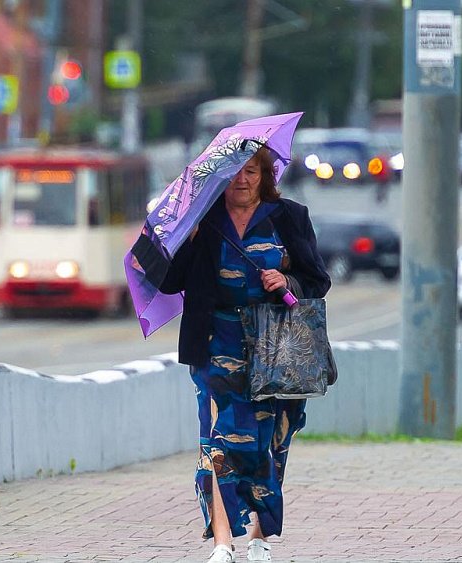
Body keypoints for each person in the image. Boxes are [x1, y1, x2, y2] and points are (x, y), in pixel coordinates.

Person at [159, 146, 331, 563]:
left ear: (265, 175)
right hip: (217, 342)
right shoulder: (204, 221)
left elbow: (317, 281)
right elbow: (168, 283)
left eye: (251, 171)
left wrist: (285, 278)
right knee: (218, 440)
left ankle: (258, 535)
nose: (242, 180)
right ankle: (222, 542)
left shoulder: (289, 217)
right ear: (221, 180)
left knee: (269, 441)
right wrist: (187, 241)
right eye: (235, 173)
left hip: (276, 347)